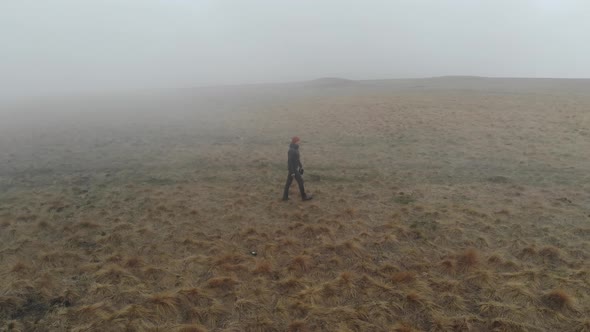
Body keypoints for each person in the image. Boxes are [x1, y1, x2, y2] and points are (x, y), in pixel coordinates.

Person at [282, 136, 313, 201]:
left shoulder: (296, 149)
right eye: (298, 141)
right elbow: (289, 162)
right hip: (293, 169)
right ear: (295, 141)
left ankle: (285, 197)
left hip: (295, 169)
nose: (300, 142)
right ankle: (304, 197)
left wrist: (300, 166)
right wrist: (292, 172)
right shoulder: (291, 150)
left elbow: (297, 159)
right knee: (300, 181)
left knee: (288, 183)